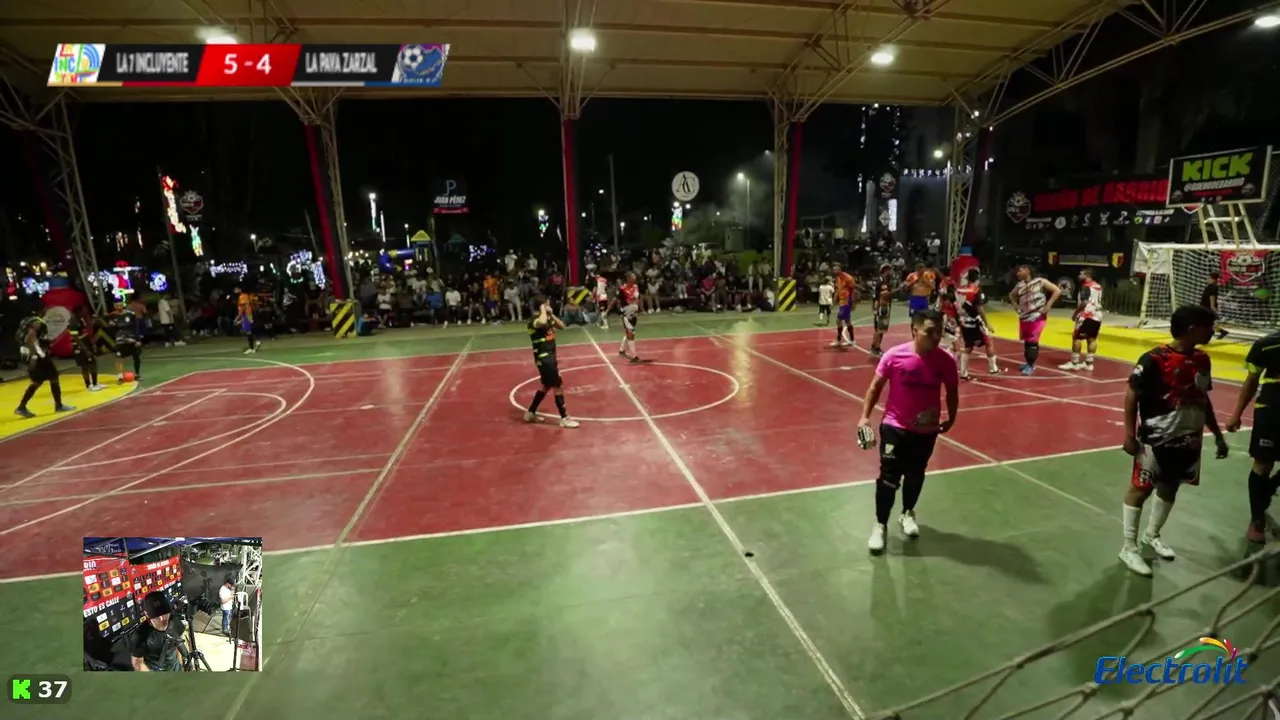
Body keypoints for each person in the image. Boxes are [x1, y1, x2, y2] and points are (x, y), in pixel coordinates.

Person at [1119, 304, 1228, 577]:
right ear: (1192, 329)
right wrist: (1129, 435)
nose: (1212, 331)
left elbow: (1203, 399)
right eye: (1209, 327)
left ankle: (1152, 534)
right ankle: (1128, 548)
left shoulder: (1203, 359)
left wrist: (1217, 435)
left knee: (1171, 486)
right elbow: (1131, 396)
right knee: (1141, 488)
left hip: (1189, 438)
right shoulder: (1153, 359)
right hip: (1156, 438)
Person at [857, 309, 959, 553]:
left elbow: (952, 392)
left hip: (926, 430)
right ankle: (880, 525)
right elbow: (875, 387)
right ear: (914, 330)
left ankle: (907, 513)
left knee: (915, 474)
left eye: (939, 332)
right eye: (930, 332)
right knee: (888, 478)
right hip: (895, 427)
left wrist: (951, 418)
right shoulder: (894, 355)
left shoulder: (946, 360)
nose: (936, 337)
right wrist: (864, 417)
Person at [1226, 327, 1280, 543]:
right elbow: (1251, 381)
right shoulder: (1266, 345)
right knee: (1263, 464)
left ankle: (1268, 489)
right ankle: (1257, 519)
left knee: (1266, 474)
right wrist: (1236, 414)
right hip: (1271, 411)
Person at [523, 295, 579, 429]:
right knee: (558, 385)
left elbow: (561, 326)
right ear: (542, 306)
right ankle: (564, 418)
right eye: (547, 304)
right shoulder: (534, 320)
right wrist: (543, 309)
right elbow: (541, 322)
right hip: (545, 358)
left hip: (550, 357)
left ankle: (530, 413)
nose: (550, 305)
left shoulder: (547, 318)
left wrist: (551, 314)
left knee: (546, 385)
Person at [13, 313, 75, 418]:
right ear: (31, 324)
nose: (39, 325)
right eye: (37, 323)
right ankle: (58, 406)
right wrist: (35, 357)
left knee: (40, 382)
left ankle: (22, 407)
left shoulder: (21, 333)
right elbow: (31, 344)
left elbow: (32, 345)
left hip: (36, 359)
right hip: (39, 360)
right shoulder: (31, 332)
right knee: (50, 379)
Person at [1008, 265, 1062, 376]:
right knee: (1027, 341)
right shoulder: (1020, 285)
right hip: (1024, 316)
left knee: (1032, 340)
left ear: (1028, 271)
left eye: (1020, 271)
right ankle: (1029, 362)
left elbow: (1057, 290)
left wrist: (1048, 305)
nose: (1018, 273)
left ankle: (1030, 364)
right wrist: (1015, 306)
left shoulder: (1040, 281)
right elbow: (1012, 295)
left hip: (1037, 315)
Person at [956, 268, 1001, 379]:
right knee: (988, 342)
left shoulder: (960, 290)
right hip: (975, 322)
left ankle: (963, 373)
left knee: (968, 346)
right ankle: (993, 368)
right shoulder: (976, 291)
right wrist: (987, 323)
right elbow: (980, 309)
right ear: (978, 279)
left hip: (963, 321)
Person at [130, 591, 188, 672]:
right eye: (156, 616)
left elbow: (179, 642)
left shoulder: (175, 622)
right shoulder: (140, 635)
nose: (162, 618)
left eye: (164, 613)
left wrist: (181, 665)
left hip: (175, 667)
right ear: (147, 614)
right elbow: (138, 664)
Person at [1059, 268, 1104, 371]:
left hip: (1086, 314)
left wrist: (1075, 313)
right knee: (1092, 338)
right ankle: (1089, 363)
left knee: (1077, 337)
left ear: (1088, 275)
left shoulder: (1085, 286)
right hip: (1097, 314)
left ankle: (1074, 362)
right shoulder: (1098, 286)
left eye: (1081, 274)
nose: (1079, 276)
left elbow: (1084, 302)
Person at [69, 311, 105, 392]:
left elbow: (85, 333)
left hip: (86, 343)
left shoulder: (81, 319)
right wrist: (85, 349)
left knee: (93, 363)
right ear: (76, 312)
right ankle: (88, 385)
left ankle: (95, 384)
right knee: (85, 366)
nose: (84, 312)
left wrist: (92, 344)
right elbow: (75, 337)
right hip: (80, 346)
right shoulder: (73, 323)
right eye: (81, 311)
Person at [869, 264, 894, 358]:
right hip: (881, 307)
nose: (892, 272)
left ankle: (874, 346)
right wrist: (876, 308)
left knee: (880, 329)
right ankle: (876, 348)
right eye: (890, 270)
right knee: (879, 329)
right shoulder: (881, 282)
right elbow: (879, 295)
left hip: (884, 306)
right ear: (886, 271)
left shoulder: (885, 281)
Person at [617, 272, 643, 363]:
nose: (635, 277)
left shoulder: (635, 287)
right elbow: (617, 300)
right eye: (633, 276)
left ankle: (622, 350)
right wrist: (608, 311)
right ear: (628, 278)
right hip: (626, 313)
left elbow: (636, 299)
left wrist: (638, 309)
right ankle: (634, 356)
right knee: (630, 333)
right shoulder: (622, 289)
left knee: (631, 331)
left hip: (634, 312)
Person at [112, 309, 143, 383]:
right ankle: (120, 378)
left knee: (136, 357)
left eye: (120, 304)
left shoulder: (131, 314)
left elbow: (136, 328)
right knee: (119, 359)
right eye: (116, 305)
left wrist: (138, 340)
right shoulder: (113, 316)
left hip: (132, 339)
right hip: (120, 341)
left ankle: (137, 374)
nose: (118, 306)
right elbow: (112, 330)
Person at [831, 262, 857, 348]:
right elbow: (838, 289)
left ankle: (838, 340)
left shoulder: (848, 278)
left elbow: (853, 291)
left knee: (839, 320)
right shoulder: (838, 278)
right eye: (834, 269)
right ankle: (852, 340)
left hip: (847, 302)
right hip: (841, 302)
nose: (834, 271)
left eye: (836, 269)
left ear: (840, 269)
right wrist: (834, 300)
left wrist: (853, 303)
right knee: (847, 321)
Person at [1199, 271, 1229, 340]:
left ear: (1213, 279)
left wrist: (1212, 307)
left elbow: (1212, 297)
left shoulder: (1212, 287)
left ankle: (1219, 331)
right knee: (1207, 322)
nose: (1208, 279)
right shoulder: (1212, 286)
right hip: (1205, 307)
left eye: (1209, 278)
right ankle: (1216, 332)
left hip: (1207, 307)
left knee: (1205, 322)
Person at [235, 286, 262, 355]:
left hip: (247, 314)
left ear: (240, 289)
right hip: (248, 314)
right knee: (248, 331)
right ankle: (256, 342)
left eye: (236, 289)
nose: (235, 290)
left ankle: (251, 348)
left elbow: (244, 307)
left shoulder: (243, 296)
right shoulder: (248, 295)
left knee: (248, 332)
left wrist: (238, 317)